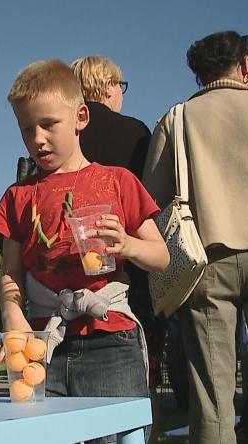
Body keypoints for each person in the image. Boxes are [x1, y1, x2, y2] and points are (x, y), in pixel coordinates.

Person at [0, 59, 169, 443]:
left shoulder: (118, 182)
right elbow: (11, 272)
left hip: (110, 340)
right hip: (44, 343)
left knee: (117, 435)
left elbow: (162, 256)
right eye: (26, 129)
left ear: (80, 117)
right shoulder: (17, 197)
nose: (37, 139)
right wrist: (11, 313)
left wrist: (128, 244)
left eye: (48, 125)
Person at [143, 31, 248, 443]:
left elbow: (152, 199)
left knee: (211, 397)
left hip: (206, 261)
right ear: (246, 64)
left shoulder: (176, 119)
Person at [71, 55, 164, 443]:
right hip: (128, 264)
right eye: (120, 86)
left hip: (68, 269)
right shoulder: (136, 134)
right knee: (135, 362)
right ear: (108, 85)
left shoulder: (66, 133)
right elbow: (153, 196)